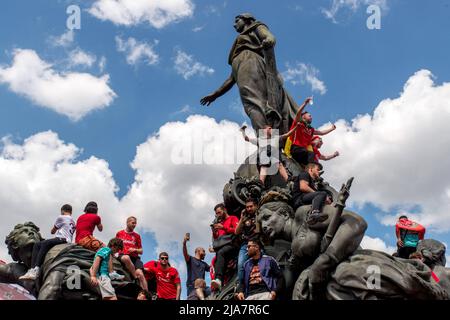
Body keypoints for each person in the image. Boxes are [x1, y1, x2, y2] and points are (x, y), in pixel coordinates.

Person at [201, 13, 297, 135]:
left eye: (237, 20)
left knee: (255, 103)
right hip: (242, 69)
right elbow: (231, 79)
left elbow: (269, 37)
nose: (234, 24)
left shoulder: (256, 27)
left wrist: (269, 41)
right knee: (251, 106)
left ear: (246, 19)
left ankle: (268, 143)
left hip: (252, 63)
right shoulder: (239, 54)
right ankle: (267, 142)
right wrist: (215, 94)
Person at [19, 204, 76, 281]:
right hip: (67, 240)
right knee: (38, 244)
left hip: (62, 239)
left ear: (62, 211)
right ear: (71, 212)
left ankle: (35, 269)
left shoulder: (61, 217)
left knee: (43, 244)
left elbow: (52, 231)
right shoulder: (73, 221)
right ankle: (32, 270)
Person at [288, 97, 337, 166]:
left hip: (304, 152)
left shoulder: (311, 129)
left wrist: (331, 129)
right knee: (311, 154)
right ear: (303, 117)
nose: (311, 117)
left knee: (314, 161)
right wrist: (305, 103)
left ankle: (309, 169)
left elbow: (322, 133)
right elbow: (298, 114)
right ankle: (311, 169)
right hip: (296, 148)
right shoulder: (298, 124)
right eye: (309, 116)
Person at [210, 203, 239, 291]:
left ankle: (218, 279)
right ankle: (218, 285)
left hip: (233, 245)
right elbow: (218, 238)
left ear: (224, 210)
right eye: (216, 214)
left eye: (219, 212)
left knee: (221, 252)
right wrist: (214, 232)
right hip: (223, 248)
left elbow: (237, 230)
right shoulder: (219, 223)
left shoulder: (233, 218)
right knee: (215, 260)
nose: (218, 215)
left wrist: (224, 227)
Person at [116, 216, 148, 291]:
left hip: (134, 258)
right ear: (127, 222)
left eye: (135, 223)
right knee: (126, 258)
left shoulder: (137, 236)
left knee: (140, 274)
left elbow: (141, 251)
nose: (134, 225)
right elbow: (115, 245)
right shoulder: (119, 233)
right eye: (133, 223)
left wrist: (134, 250)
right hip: (123, 255)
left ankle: (146, 294)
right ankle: (135, 278)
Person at [235, 198, 260, 283]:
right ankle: (240, 285)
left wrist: (257, 217)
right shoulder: (245, 217)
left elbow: (258, 230)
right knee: (240, 264)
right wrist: (241, 219)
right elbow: (236, 232)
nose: (249, 209)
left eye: (251, 206)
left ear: (256, 206)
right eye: (247, 207)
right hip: (245, 244)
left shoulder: (260, 214)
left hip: (258, 243)